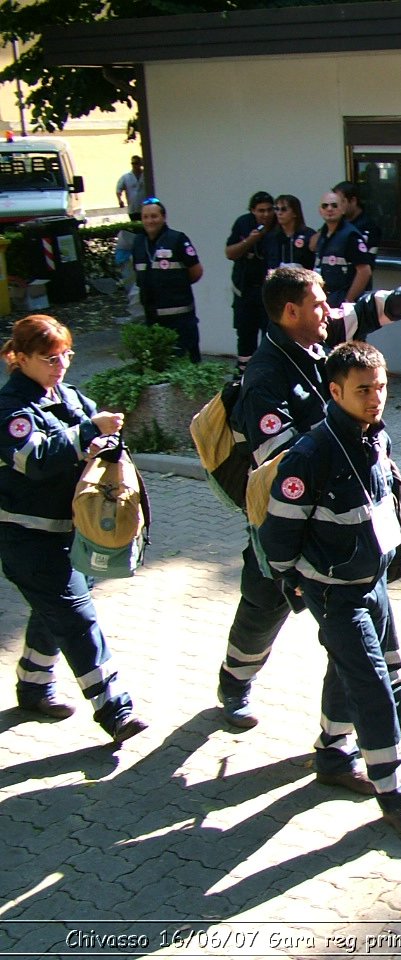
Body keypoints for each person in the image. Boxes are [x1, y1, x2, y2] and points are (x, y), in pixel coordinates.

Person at [216, 264, 401, 749]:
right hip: (291, 519)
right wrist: (341, 440)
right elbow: (280, 462)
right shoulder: (264, 377)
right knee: (265, 603)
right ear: (290, 312)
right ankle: (236, 681)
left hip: (348, 516)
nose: (330, 310)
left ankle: (395, 693)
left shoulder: (316, 341)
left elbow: (363, 312)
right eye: (318, 303)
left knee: (365, 605)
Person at [257, 340, 401, 836]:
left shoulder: (375, 436)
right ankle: (396, 791)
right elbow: (278, 532)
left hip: (371, 580)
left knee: (345, 666)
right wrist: (290, 580)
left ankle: (334, 755)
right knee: (372, 687)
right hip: (334, 592)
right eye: (362, 390)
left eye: (380, 386)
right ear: (334, 391)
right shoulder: (309, 454)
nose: (375, 398)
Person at [0, 315, 147, 748]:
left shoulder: (65, 394)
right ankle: (115, 709)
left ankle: (32, 686)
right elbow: (36, 458)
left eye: (66, 354)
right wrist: (89, 432)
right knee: (76, 616)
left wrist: (107, 443)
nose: (61, 364)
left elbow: (91, 442)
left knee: (54, 611)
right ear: (20, 358)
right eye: (49, 358)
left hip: (71, 533)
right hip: (26, 536)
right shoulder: (10, 409)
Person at [132, 198, 203, 363]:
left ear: (163, 217)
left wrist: (176, 286)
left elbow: (196, 272)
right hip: (152, 318)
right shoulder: (138, 242)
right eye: (146, 217)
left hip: (180, 318)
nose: (150, 220)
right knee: (160, 364)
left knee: (188, 362)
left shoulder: (177, 239)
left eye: (154, 216)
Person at [225, 191, 276, 373]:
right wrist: (250, 241)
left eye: (270, 210)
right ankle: (243, 374)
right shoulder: (243, 223)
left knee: (270, 335)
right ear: (252, 211)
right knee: (245, 336)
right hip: (245, 291)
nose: (266, 215)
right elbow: (230, 253)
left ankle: (267, 373)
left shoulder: (279, 225)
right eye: (260, 210)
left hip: (269, 294)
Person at [311, 191, 373, 313]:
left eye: (334, 205)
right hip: (327, 299)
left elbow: (365, 272)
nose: (329, 209)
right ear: (320, 210)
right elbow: (311, 246)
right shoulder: (324, 234)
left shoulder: (350, 235)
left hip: (344, 301)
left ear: (343, 209)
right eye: (325, 206)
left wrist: (347, 301)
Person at [334, 179, 381, 271]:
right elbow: (313, 245)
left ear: (353, 201)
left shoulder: (368, 226)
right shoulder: (337, 222)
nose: (337, 207)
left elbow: (366, 264)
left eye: (341, 202)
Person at [264, 194, 316, 272]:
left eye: (284, 209)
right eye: (277, 209)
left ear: (295, 213)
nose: (279, 213)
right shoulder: (272, 237)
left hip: (304, 280)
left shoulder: (309, 235)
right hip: (277, 281)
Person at [115, 155, 146, 220]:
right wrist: (120, 200)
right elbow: (118, 190)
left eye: (136, 163)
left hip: (146, 208)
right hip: (133, 209)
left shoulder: (146, 175)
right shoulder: (126, 177)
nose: (134, 165)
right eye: (133, 163)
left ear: (141, 163)